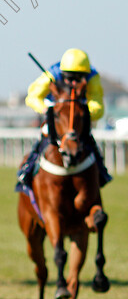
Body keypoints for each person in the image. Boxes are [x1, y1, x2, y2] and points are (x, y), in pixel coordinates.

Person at [15, 48, 112, 192]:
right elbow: (32, 97)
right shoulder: (52, 74)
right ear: (62, 73)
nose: (73, 83)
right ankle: (27, 170)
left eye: (78, 79)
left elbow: (98, 106)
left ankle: (101, 171)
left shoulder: (93, 77)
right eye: (69, 78)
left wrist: (83, 112)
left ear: (85, 76)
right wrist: (49, 110)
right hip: (57, 117)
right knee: (45, 135)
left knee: (88, 138)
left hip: (77, 119)